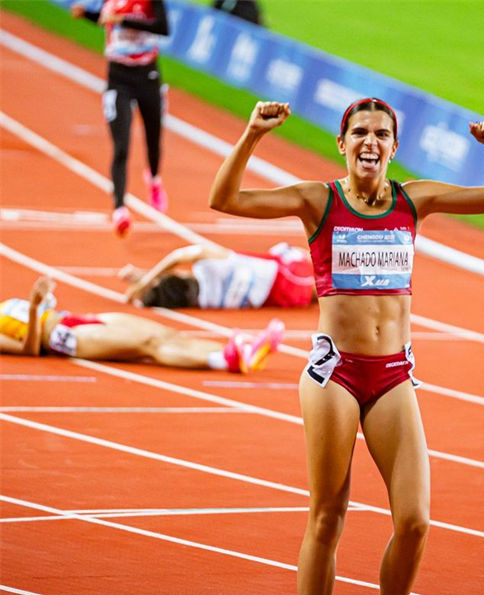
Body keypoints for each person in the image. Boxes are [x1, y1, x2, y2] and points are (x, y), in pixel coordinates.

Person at [208, 99, 484, 595]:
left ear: (394, 147)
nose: (370, 142)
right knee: (328, 515)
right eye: (360, 132)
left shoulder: (414, 200)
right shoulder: (318, 200)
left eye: (382, 134)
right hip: (335, 374)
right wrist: (252, 134)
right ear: (342, 142)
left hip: (393, 375)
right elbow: (225, 200)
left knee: (415, 519)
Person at [0, 276, 284, 373]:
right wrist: (36, 306)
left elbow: (37, 314)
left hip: (73, 319)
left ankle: (238, 352)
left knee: (161, 332)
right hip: (65, 338)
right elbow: (29, 350)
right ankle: (224, 361)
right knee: (148, 345)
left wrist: (44, 300)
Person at [70, 0, 170, 237]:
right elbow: (107, 19)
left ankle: (154, 179)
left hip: (148, 77)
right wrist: (87, 14)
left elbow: (163, 27)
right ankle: (119, 209)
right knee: (121, 146)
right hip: (118, 79)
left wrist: (123, 20)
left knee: (153, 141)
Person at [119, 241, 315, 308]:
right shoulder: (210, 265)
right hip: (282, 276)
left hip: (276, 295)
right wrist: (145, 280)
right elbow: (178, 256)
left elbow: (182, 280)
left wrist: (145, 278)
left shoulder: (203, 301)